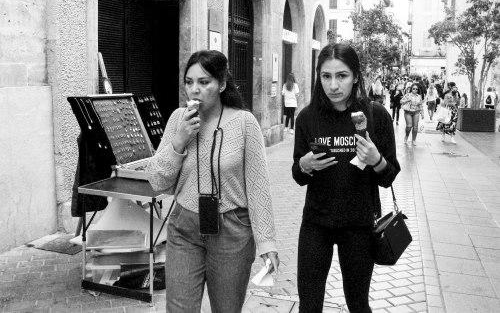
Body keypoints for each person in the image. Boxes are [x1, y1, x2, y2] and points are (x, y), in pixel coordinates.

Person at [146, 50, 279, 313]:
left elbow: (258, 186)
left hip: (232, 230)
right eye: (189, 82)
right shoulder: (177, 120)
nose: (195, 90)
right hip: (184, 227)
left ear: (222, 84)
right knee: (178, 309)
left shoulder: (244, 123)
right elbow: (156, 181)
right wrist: (179, 141)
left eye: (204, 82)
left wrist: (267, 242)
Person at [292, 43, 400, 313]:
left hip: (360, 226)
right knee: (309, 304)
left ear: (355, 77)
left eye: (342, 76)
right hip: (316, 224)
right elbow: (298, 177)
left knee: (358, 303)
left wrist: (377, 160)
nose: (333, 85)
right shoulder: (307, 118)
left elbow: (389, 177)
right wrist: (303, 165)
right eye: (326, 76)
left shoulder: (376, 116)